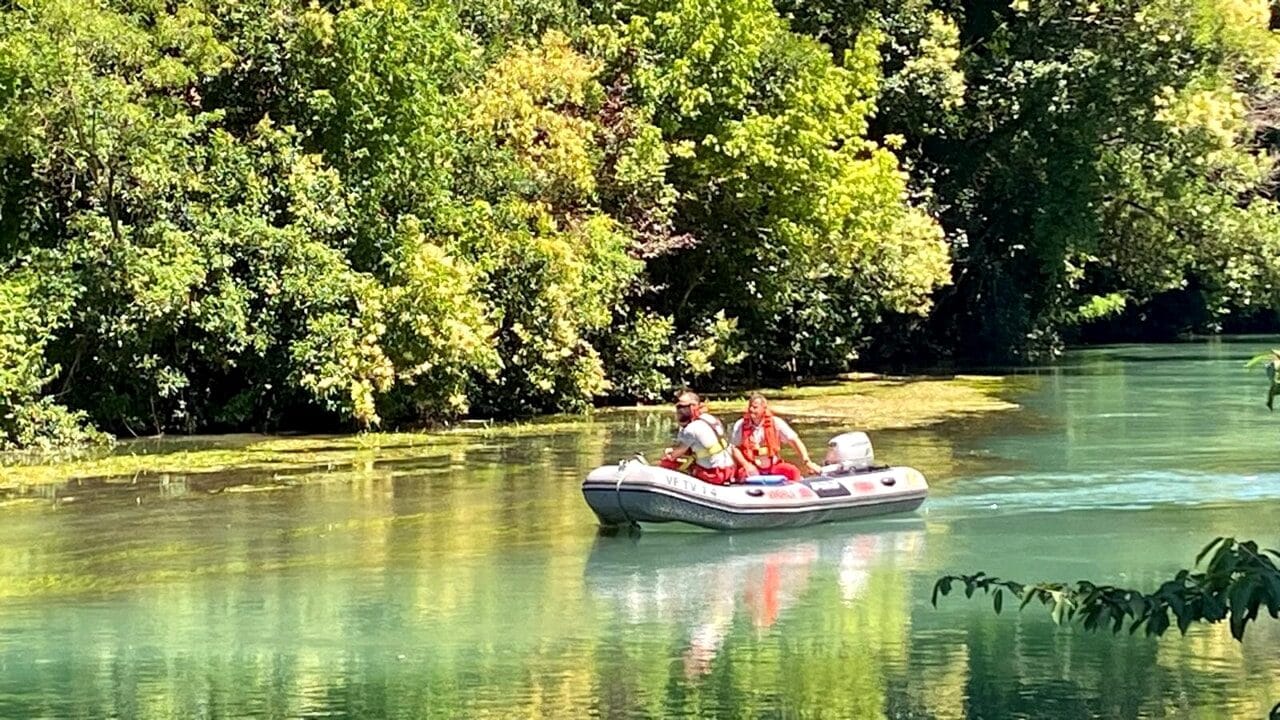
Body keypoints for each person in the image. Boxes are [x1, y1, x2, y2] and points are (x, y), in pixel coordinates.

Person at [660, 390, 754, 485]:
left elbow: (675, 455)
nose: (679, 410)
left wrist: (669, 452)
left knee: (668, 463)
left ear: (693, 406)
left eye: (682, 407)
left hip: (714, 473)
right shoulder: (711, 419)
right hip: (730, 469)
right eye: (678, 407)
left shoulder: (691, 429)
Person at [730, 393, 822, 482]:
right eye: (750, 407)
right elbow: (734, 448)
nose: (751, 410)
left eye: (755, 407)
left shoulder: (776, 422)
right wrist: (746, 465)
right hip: (751, 467)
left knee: (792, 471)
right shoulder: (740, 425)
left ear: (764, 408)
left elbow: (794, 441)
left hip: (773, 466)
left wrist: (807, 462)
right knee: (742, 475)